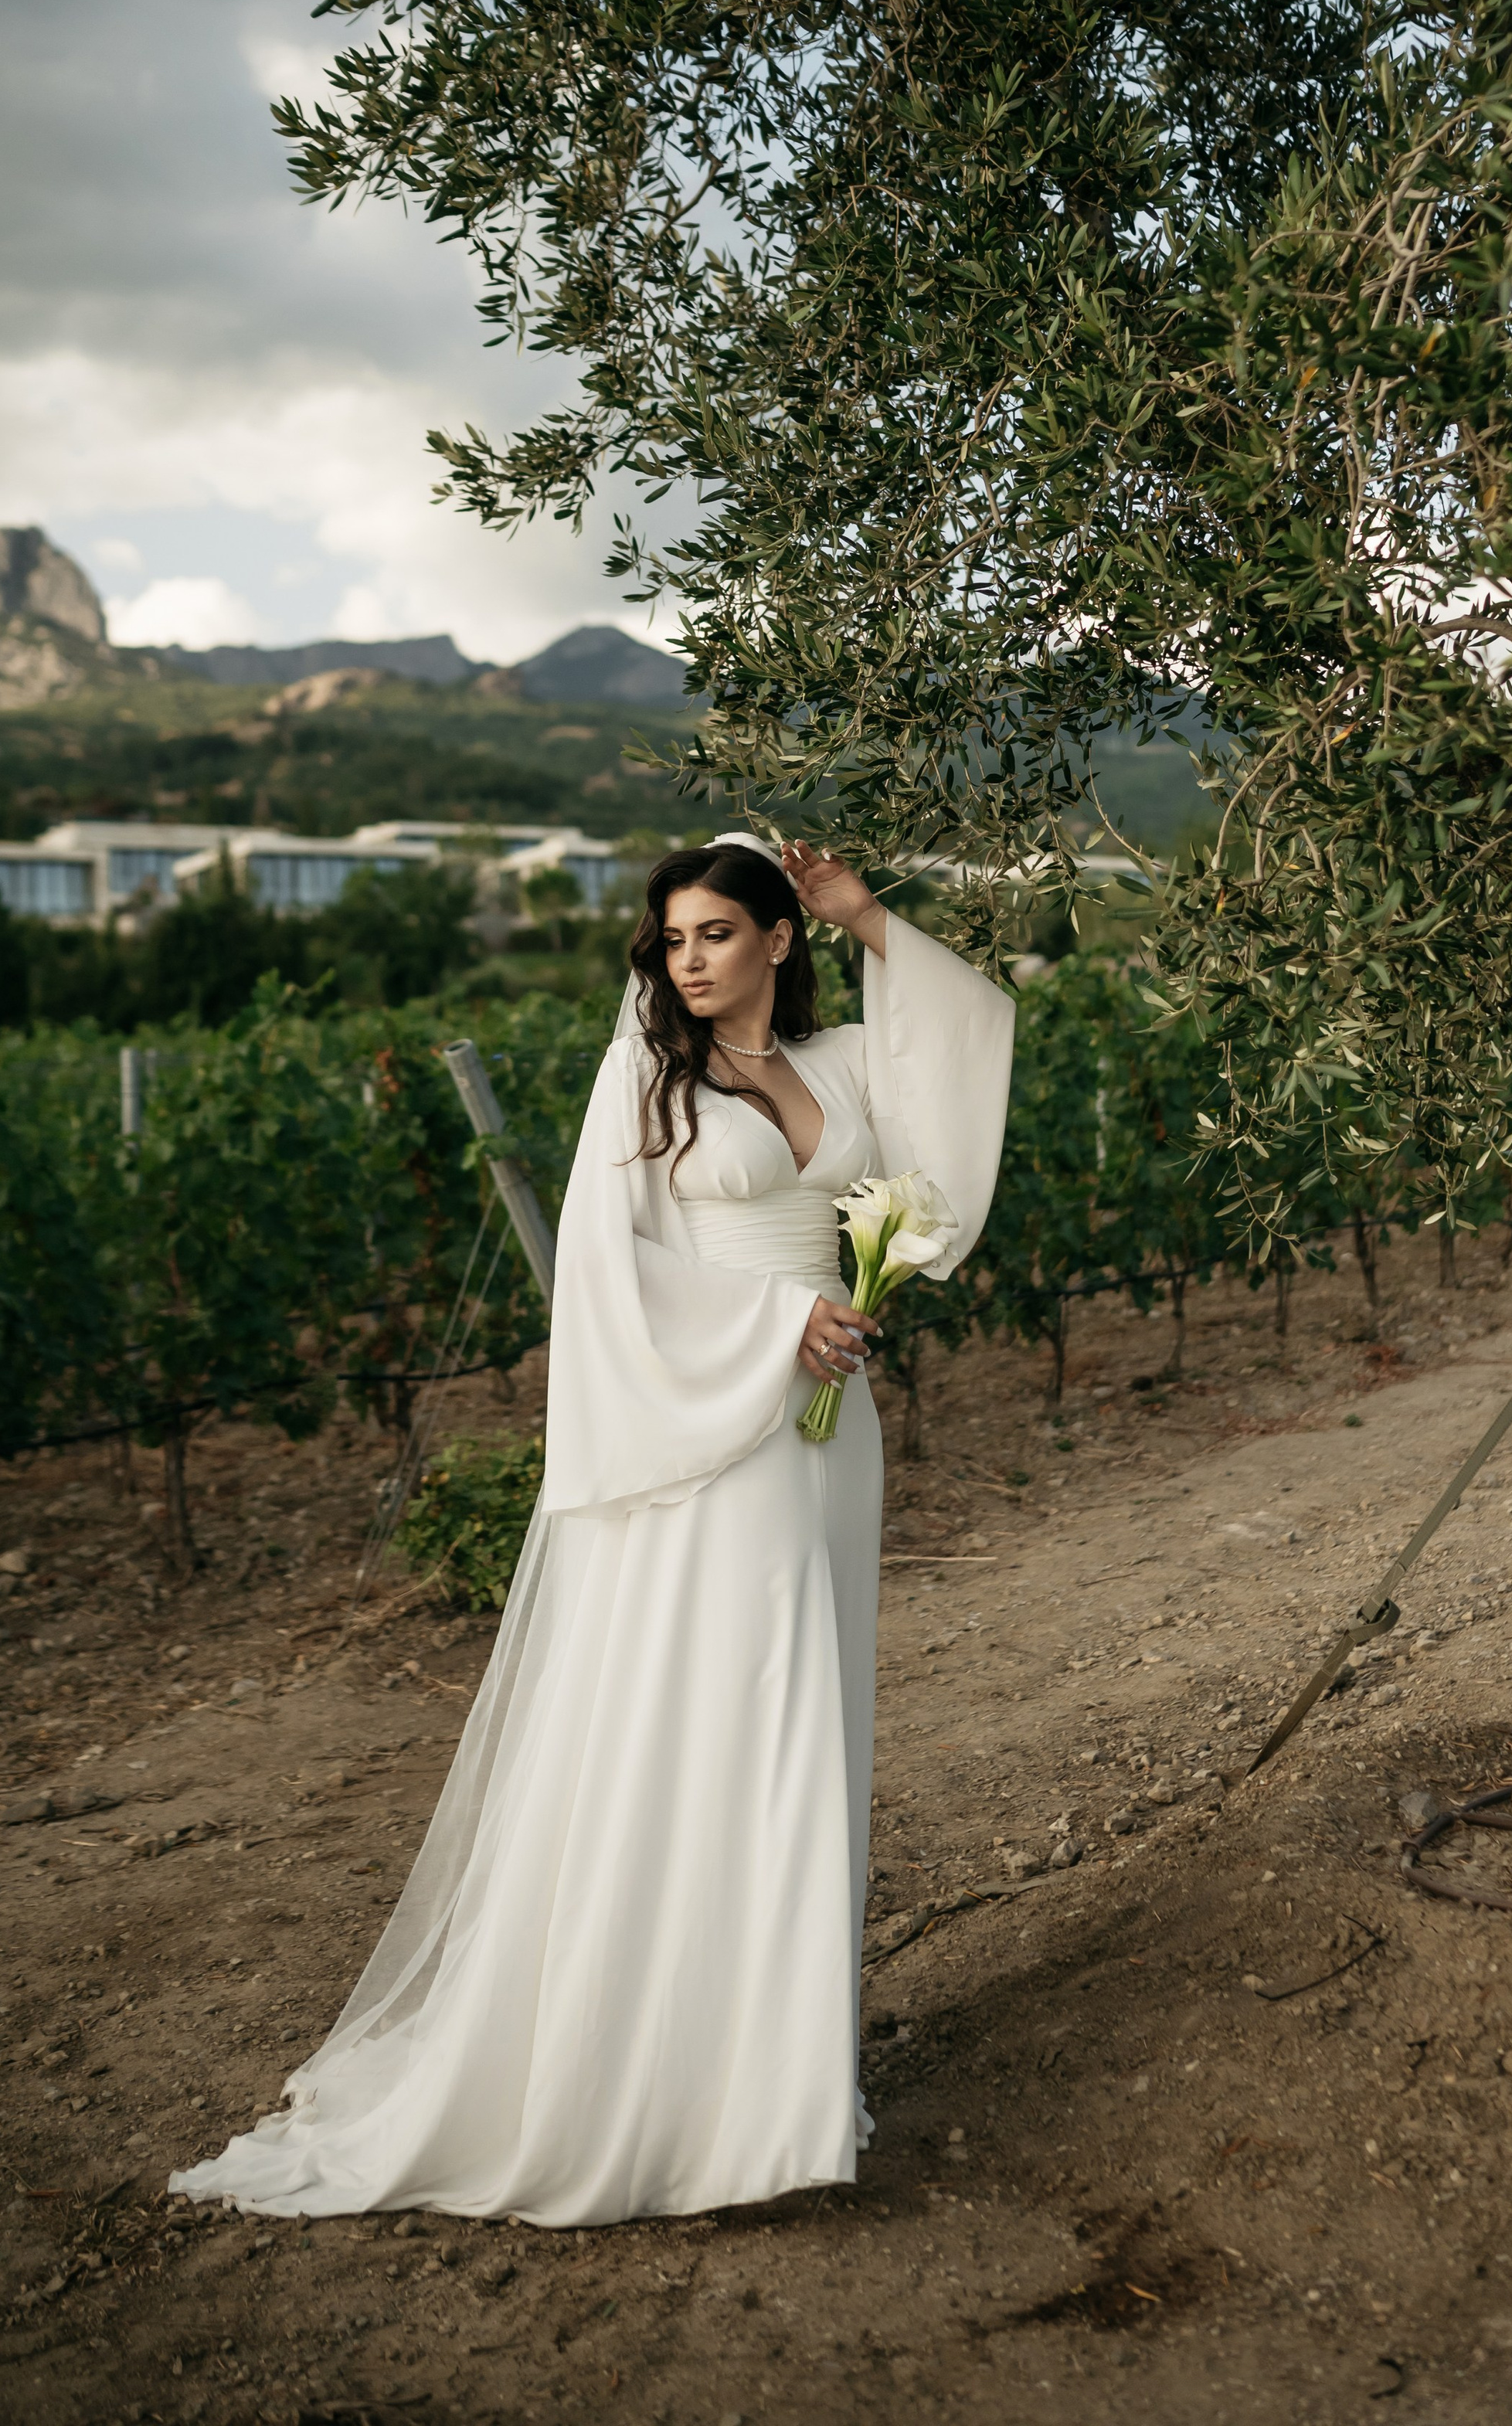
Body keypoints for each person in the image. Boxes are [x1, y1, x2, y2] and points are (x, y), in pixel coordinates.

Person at [168, 834, 1014, 2225]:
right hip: (720, 1422)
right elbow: (608, 1271)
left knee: (813, 1725)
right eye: (672, 941)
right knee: (725, 1718)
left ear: (775, 941)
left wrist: (865, 911)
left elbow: (966, 1037)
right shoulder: (649, 1081)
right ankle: (667, 2088)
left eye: (715, 936)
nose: (686, 963)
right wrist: (771, 1329)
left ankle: (778, 2082)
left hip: (827, 1435)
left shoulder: (847, 1065)